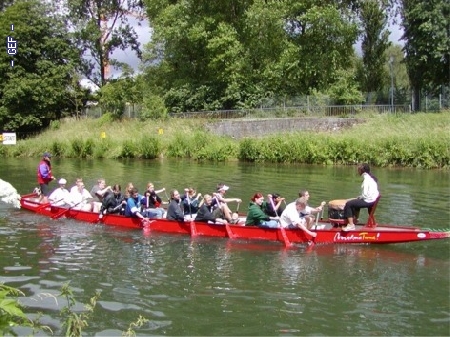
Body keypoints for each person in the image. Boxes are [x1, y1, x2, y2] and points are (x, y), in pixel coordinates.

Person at [342, 163, 380, 231]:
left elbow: (365, 195)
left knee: (349, 204)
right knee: (356, 202)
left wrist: (358, 198)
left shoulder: (366, 180)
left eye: (358, 169)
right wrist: (358, 198)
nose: (357, 171)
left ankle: (351, 225)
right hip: (372, 199)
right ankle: (355, 220)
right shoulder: (370, 177)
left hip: (369, 201)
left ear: (361, 170)